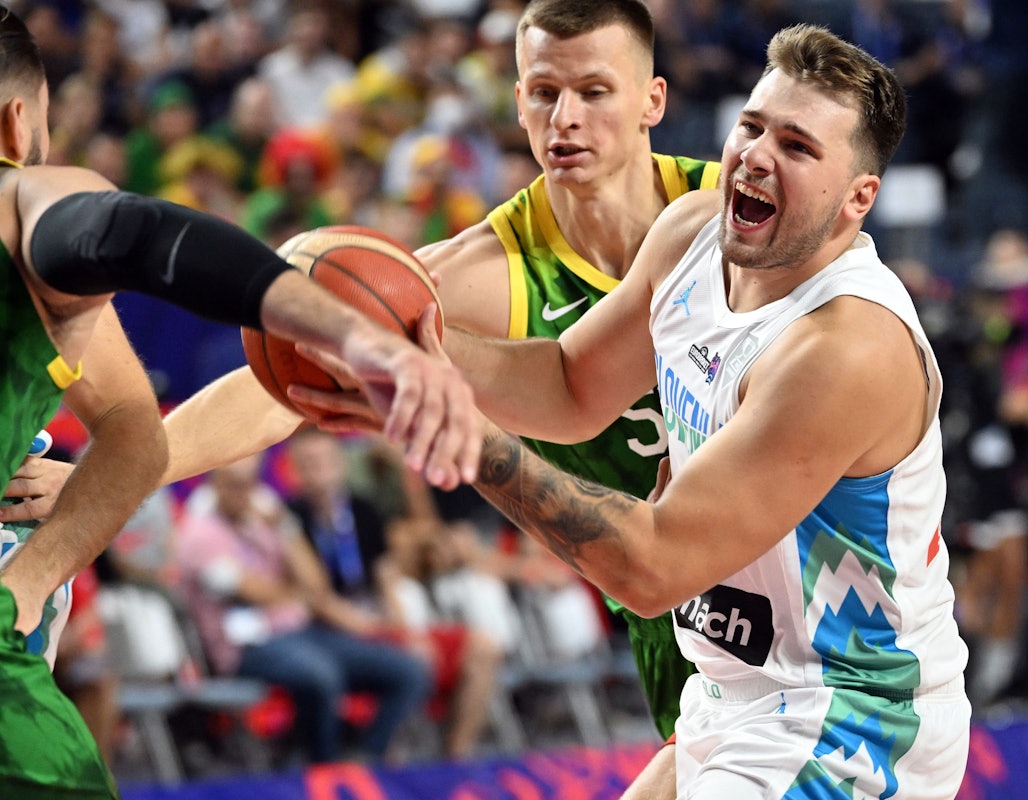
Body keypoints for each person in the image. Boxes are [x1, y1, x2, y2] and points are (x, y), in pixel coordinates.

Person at [7, 1, 719, 793]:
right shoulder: (478, 273)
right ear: (516, 102)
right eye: (544, 92)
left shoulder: (743, 215)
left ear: (653, 99)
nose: (566, 117)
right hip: (672, 616)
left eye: (595, 91)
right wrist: (109, 477)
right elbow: (286, 386)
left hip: (810, 574)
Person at [419, 23, 970, 798]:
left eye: (797, 147)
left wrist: (452, 423)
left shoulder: (845, 347)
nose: (754, 155)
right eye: (751, 127)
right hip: (728, 696)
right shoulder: (689, 232)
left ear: (858, 199)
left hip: (846, 722)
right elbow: (571, 386)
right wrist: (414, 349)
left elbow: (652, 568)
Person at [0, 6, 476, 797]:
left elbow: (133, 432)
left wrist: (38, 571)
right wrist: (360, 339)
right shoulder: (23, 196)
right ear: (20, 123)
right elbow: (131, 232)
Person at [175, 454, 433, 765]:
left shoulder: (264, 525)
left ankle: (363, 759)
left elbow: (316, 585)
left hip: (302, 634)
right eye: (234, 485)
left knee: (408, 670)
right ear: (214, 485)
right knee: (320, 674)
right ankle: (323, 767)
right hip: (247, 649)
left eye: (250, 484)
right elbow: (257, 593)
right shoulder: (199, 534)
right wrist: (295, 594)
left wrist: (286, 528)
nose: (244, 494)